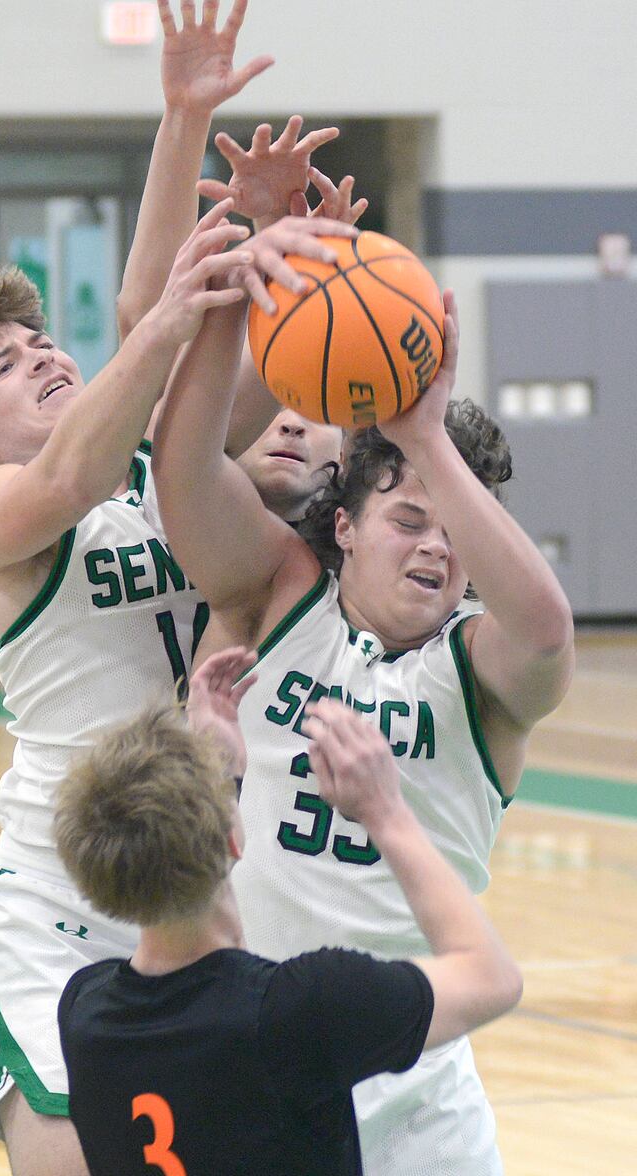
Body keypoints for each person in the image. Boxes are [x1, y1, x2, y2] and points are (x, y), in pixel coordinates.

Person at [0, 9, 364, 1175]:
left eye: (38, 337)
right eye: (8, 365)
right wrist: (176, 313)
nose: (43, 355)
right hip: (52, 894)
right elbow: (102, 414)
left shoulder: (161, 470)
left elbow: (189, 352)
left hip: (167, 880)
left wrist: (255, 215)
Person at [151, 275, 575, 1173]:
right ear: (343, 525)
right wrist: (241, 297)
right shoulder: (283, 595)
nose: (435, 547)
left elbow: (547, 631)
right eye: (409, 519)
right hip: (261, 1060)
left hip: (419, 1087)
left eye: (457, 531)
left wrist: (423, 432)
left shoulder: (481, 668)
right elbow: (181, 467)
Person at [54, 646, 522, 1176]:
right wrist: (385, 812)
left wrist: (219, 772)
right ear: (234, 840)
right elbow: (492, 979)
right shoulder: (297, 1011)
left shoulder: (85, 1013)